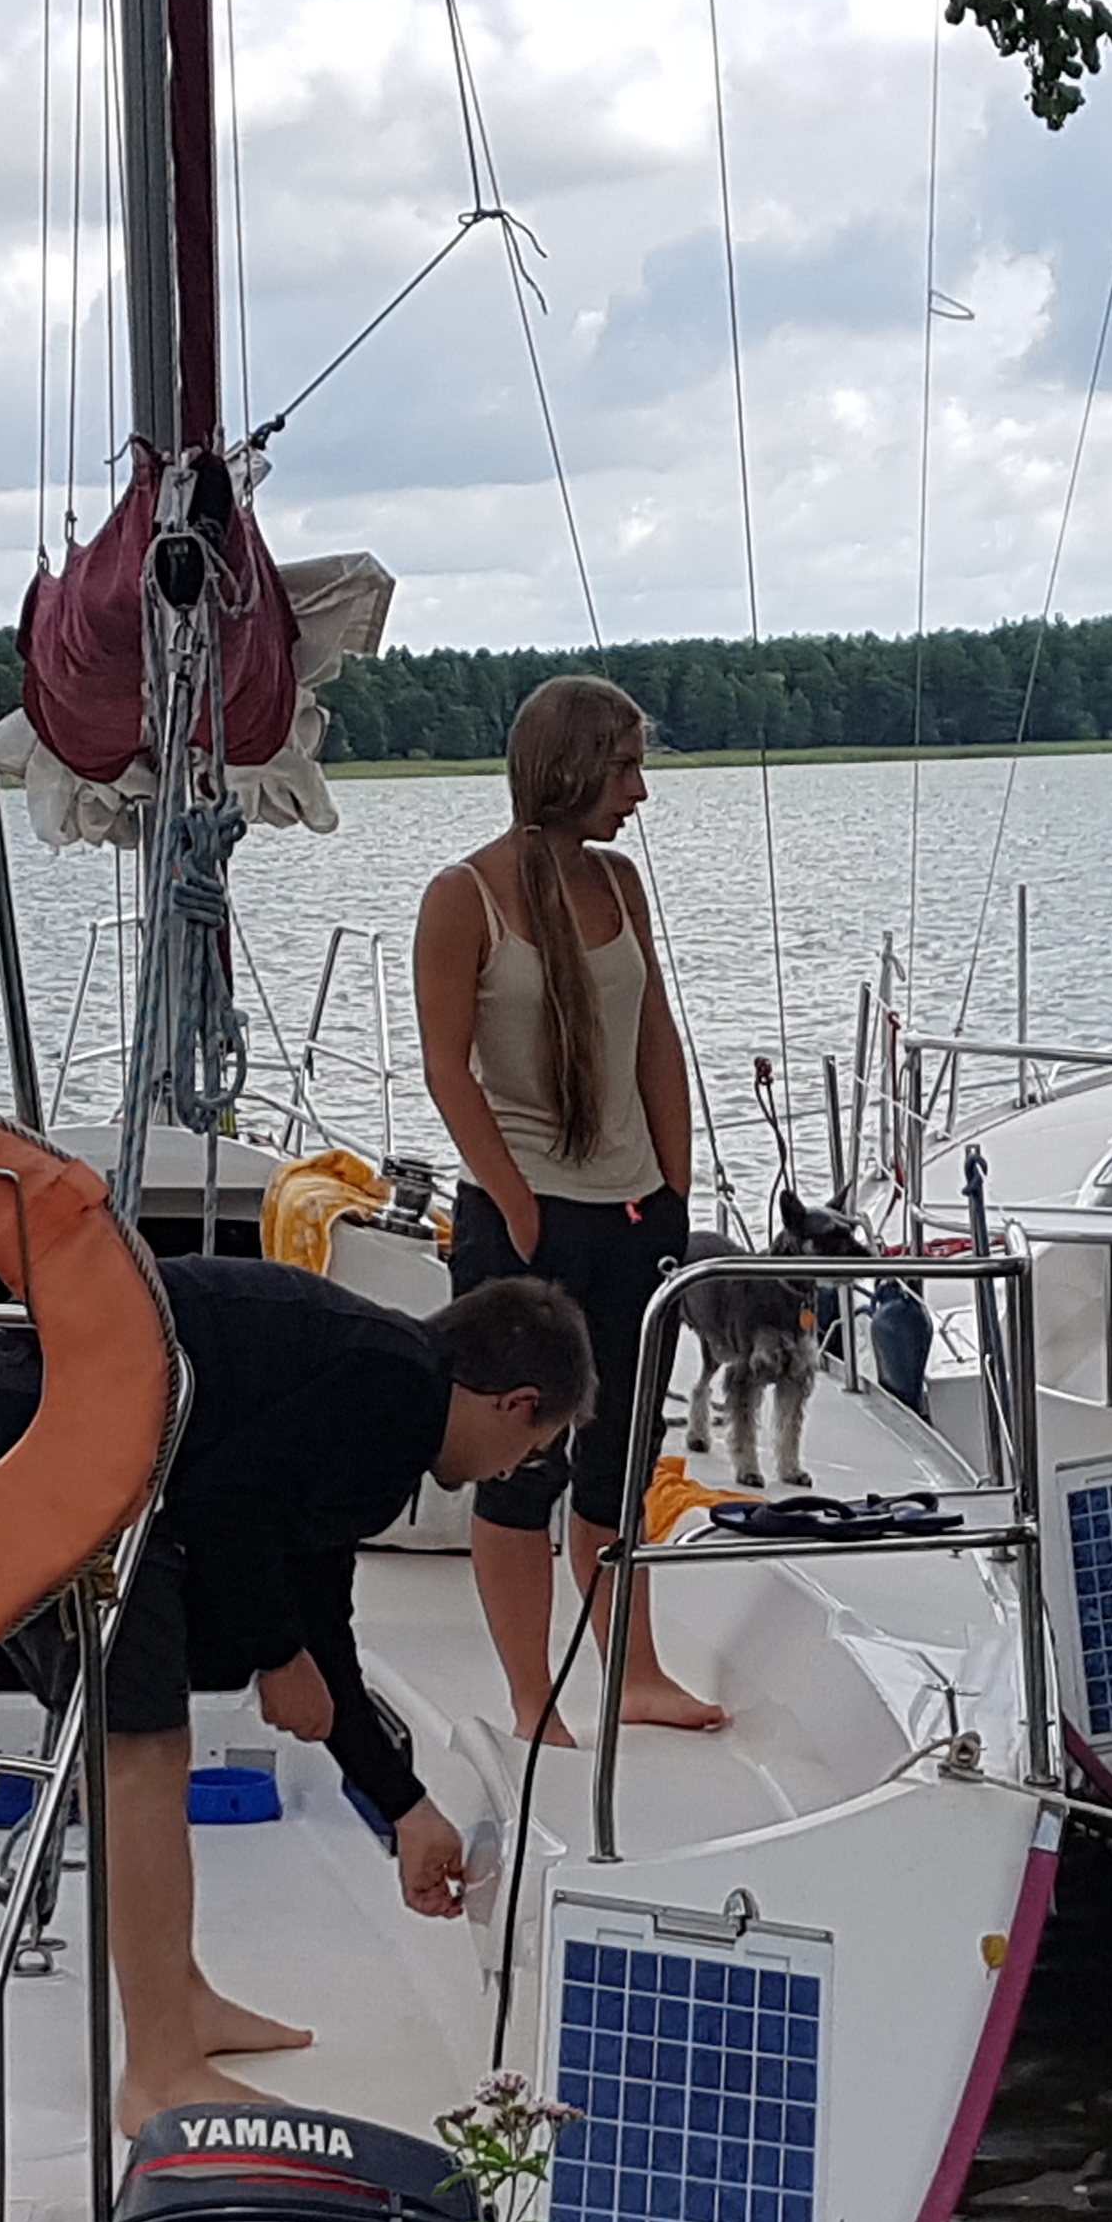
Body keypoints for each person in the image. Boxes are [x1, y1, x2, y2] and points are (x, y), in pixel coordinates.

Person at [0, 1260, 593, 2121]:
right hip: (36, 1431)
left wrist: (402, 1803)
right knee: (141, 1749)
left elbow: (319, 1613)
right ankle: (159, 2070)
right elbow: (223, 1507)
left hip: (55, 1424)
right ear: (515, 1404)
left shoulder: (385, 1387)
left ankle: (181, 2004)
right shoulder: (390, 1393)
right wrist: (276, 1656)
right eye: (530, 1451)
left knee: (152, 1725)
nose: (509, 1475)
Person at [413, 674, 726, 1743]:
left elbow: (655, 1040)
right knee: (521, 1468)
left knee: (619, 1464)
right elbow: (447, 1069)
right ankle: (529, 1692)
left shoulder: (620, 884)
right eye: (625, 767)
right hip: (526, 1222)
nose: (639, 791)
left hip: (634, 1213)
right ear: (568, 768)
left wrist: (675, 1186)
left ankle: (632, 1673)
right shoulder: (464, 896)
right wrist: (515, 1206)